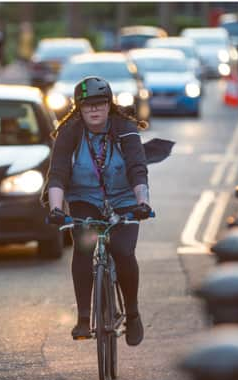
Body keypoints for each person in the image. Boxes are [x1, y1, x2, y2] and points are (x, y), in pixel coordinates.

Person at [43, 76, 153, 346]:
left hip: (124, 199)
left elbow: (138, 169)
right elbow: (57, 174)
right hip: (84, 199)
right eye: (87, 105)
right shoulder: (70, 131)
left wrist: (143, 203)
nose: (94, 110)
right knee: (83, 247)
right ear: (78, 108)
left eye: (100, 104)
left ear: (109, 104)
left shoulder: (125, 128)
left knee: (124, 251)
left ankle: (133, 314)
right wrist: (57, 209)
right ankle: (83, 317)